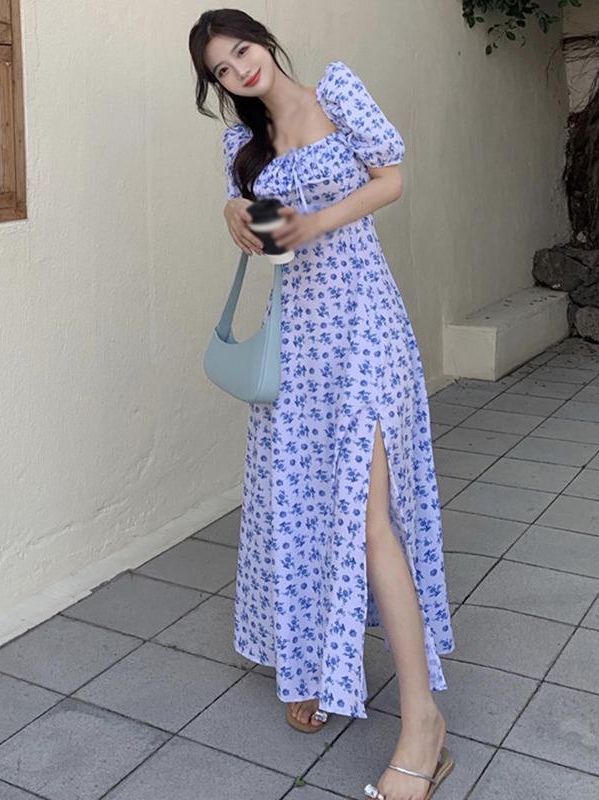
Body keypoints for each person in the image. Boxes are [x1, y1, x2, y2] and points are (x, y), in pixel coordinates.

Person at [189, 9, 456, 800]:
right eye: (221, 69)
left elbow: (392, 178)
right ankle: (309, 665)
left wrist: (314, 224)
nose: (239, 70)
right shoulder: (243, 147)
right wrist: (234, 214)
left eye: (242, 50)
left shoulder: (336, 92)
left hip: (365, 327)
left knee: (372, 520)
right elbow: (249, 222)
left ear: (264, 42)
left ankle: (423, 725)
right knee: (300, 504)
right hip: (298, 340)